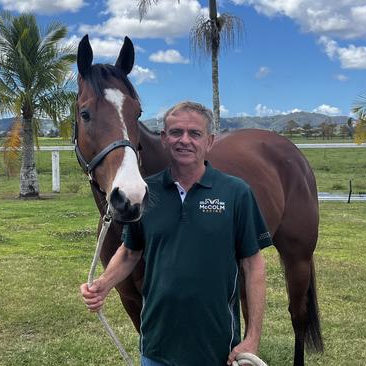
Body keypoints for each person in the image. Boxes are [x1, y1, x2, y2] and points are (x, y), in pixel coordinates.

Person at [80, 101, 271, 366]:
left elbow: (254, 266)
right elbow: (130, 252)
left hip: (218, 351)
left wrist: (252, 338)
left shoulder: (236, 193)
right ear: (164, 139)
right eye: (176, 132)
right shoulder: (147, 193)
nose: (185, 140)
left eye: (195, 134)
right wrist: (103, 283)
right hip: (156, 351)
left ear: (210, 141)